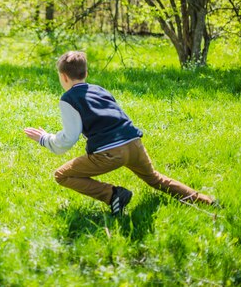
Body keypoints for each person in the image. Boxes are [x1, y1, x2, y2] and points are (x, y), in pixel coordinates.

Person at [24, 51, 216, 216]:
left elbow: (69, 138)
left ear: (64, 77)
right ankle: (206, 201)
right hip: (134, 143)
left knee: (61, 175)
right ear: (86, 73)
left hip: (110, 152)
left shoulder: (68, 99)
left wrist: (44, 139)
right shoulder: (100, 90)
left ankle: (113, 195)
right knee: (155, 179)